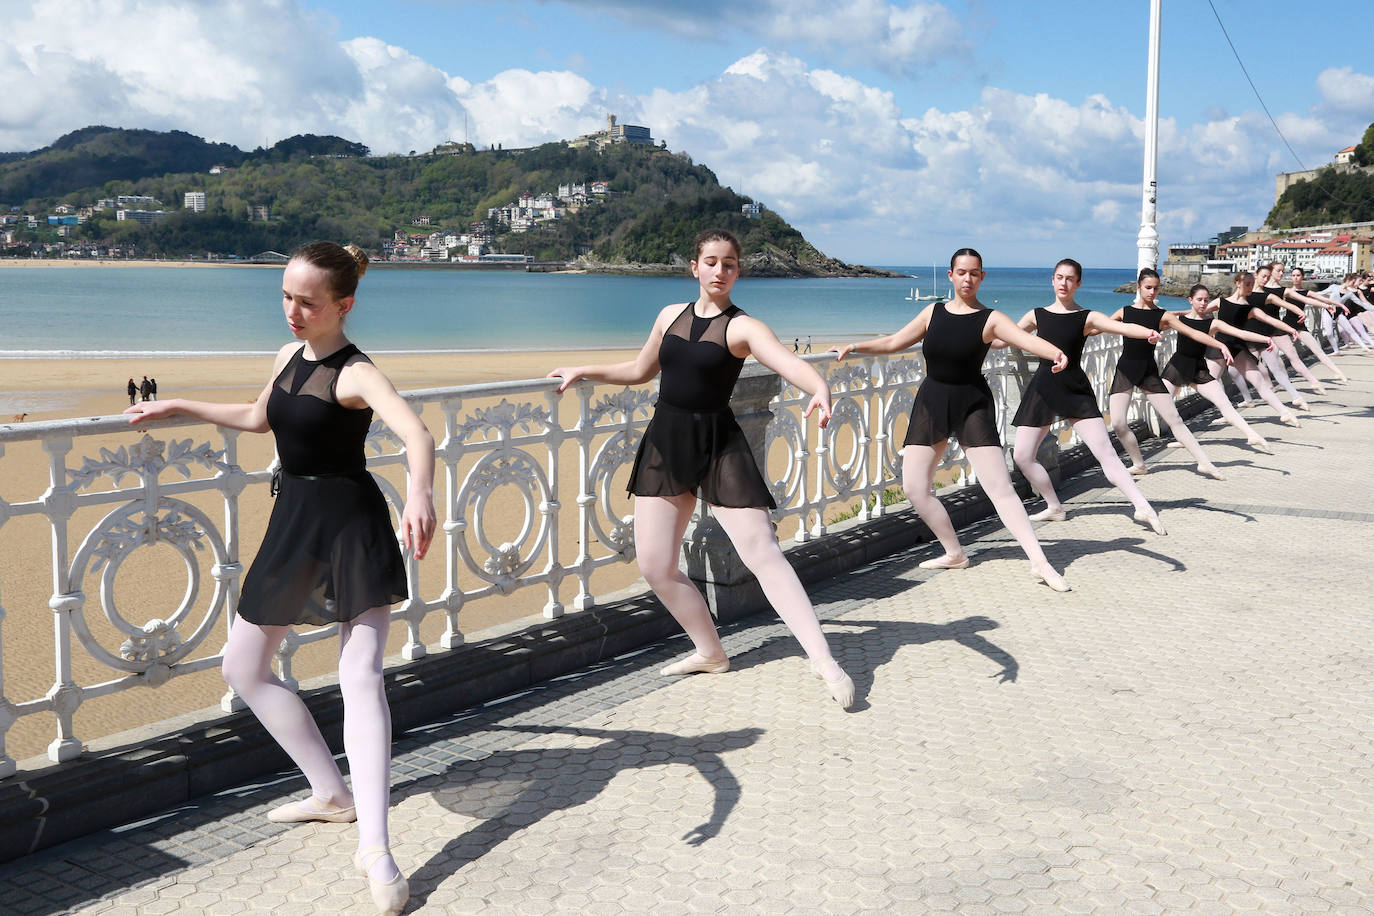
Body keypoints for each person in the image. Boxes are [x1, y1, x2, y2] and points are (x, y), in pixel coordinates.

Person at [126, 241, 434, 916]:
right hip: (294, 520)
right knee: (243, 668)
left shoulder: (356, 373)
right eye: (286, 297)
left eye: (308, 302)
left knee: (361, 677)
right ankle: (332, 795)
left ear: (343, 306)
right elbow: (258, 417)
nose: (294, 312)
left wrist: (420, 494)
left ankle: (378, 850)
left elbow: (417, 435)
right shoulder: (286, 357)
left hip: (350, 523)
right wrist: (175, 404)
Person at [547, 228, 855, 708]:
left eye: (729, 263)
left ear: (737, 271)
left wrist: (819, 386)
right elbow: (640, 370)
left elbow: (784, 361)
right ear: (695, 267)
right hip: (667, 440)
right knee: (655, 565)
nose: (719, 270)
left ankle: (822, 658)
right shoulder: (669, 315)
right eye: (710, 261)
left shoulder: (743, 327)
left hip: (718, 444)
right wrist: (584, 369)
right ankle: (710, 651)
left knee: (763, 551)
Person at [831, 248, 1072, 592]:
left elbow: (1026, 340)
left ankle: (1040, 561)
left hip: (971, 403)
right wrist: (853, 347)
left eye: (974, 273)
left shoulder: (990, 318)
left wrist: (1056, 353)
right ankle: (954, 552)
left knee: (1000, 488)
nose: (967, 279)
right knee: (915, 487)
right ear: (950, 275)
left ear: (982, 277)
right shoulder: (933, 311)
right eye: (961, 272)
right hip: (932, 400)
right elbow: (896, 341)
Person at [1009, 258, 1167, 535]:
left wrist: (1149, 333)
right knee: (1022, 455)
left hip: (1074, 387)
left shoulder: (1087, 316)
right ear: (1052, 280)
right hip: (1043, 387)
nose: (1064, 283)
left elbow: (1123, 328)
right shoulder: (1036, 315)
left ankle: (1142, 506)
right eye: (1059, 277)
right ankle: (1054, 507)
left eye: (1070, 278)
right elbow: (1004, 337)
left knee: (1105, 453)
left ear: (1078, 283)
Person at [1106, 268, 1225, 479]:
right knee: (1117, 423)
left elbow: (1193, 332)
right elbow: (1097, 327)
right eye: (1148, 287)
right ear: (1139, 288)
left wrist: (1219, 344)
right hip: (1125, 369)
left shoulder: (1162, 316)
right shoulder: (1124, 312)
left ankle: (1204, 462)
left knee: (1174, 419)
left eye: (1156, 288)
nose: (1152, 292)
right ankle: (1139, 464)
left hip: (1148, 372)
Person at [1160, 284, 1273, 453]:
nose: (1203, 303)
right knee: (1163, 404)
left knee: (1224, 402)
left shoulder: (1213, 323)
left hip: (1198, 369)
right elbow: (1151, 323)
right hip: (1177, 366)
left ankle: (1251, 434)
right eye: (1199, 300)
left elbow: (1240, 333)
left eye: (1206, 300)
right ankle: (1184, 438)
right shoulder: (1180, 320)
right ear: (1190, 300)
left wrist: (1265, 338)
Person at [1208, 271, 1302, 427]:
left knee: (1259, 383)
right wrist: (1174, 316)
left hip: (1238, 348)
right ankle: (1227, 413)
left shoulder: (1250, 308)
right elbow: (1199, 312)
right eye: (1247, 284)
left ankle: (1285, 412)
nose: (1251, 287)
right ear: (1237, 283)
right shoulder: (1221, 301)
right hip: (1220, 347)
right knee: (1210, 383)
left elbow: (1270, 320)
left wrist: (1291, 329)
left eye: (1252, 284)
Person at [1267, 264, 1347, 383]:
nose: (1295, 278)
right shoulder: (1285, 291)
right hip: (1286, 325)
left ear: (1302, 277)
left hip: (1300, 326)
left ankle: (1338, 372)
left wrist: (1337, 304)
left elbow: (1317, 299)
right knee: (1275, 353)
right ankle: (1285, 379)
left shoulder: (1304, 292)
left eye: (1298, 275)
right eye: (1293, 275)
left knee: (1317, 350)